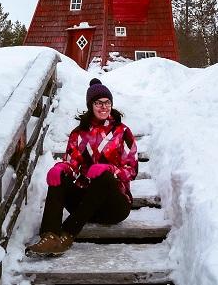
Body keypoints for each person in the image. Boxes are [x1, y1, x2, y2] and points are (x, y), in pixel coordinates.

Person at [25, 77, 139, 257]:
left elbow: (131, 170)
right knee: (59, 174)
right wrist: (61, 168)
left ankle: (67, 233)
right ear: (90, 105)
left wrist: (110, 169)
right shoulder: (79, 134)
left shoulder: (122, 132)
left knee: (105, 177)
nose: (103, 107)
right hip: (84, 203)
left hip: (114, 206)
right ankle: (50, 235)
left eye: (107, 102)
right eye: (98, 103)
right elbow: (72, 164)